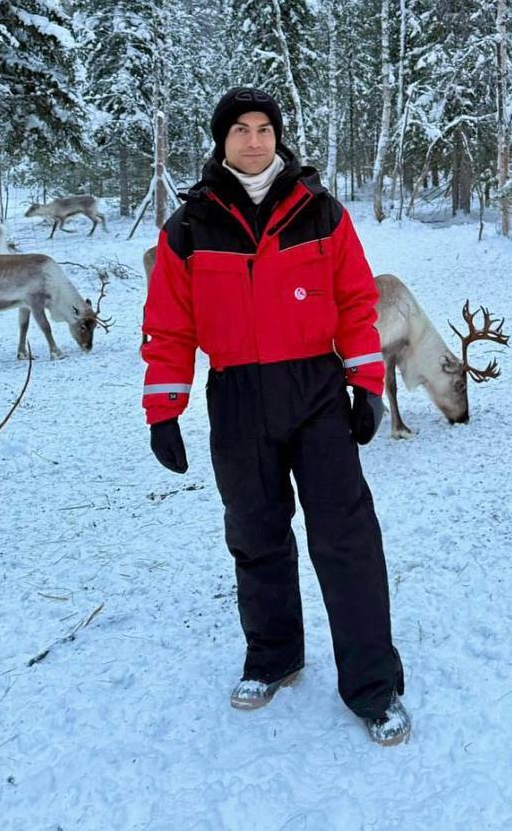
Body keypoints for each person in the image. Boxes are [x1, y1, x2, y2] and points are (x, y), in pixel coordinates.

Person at [141, 86, 410, 746]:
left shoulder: (321, 212)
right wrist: (164, 409)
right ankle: (273, 655)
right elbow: (169, 325)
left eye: (264, 128)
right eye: (240, 129)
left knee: (345, 538)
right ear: (222, 140)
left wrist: (366, 384)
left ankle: (373, 686)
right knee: (255, 533)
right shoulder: (188, 227)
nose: (254, 140)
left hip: (316, 391)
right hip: (236, 396)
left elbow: (355, 301)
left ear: (278, 137)